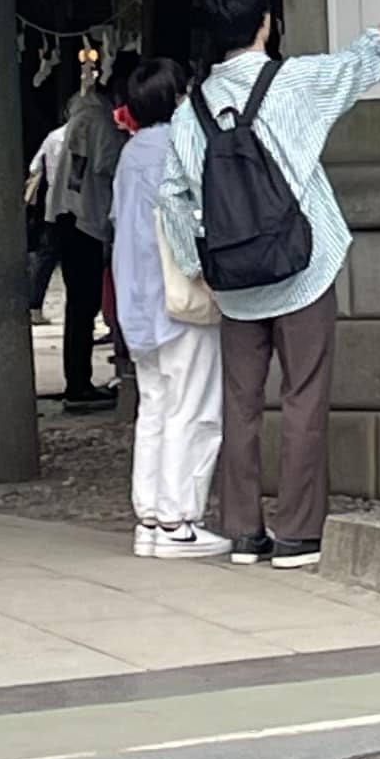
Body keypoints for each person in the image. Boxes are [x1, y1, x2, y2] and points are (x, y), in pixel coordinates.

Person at [160, 0, 380, 568]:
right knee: (304, 397)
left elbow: (174, 196)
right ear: (265, 23)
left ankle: (244, 530)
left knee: (241, 402)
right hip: (303, 267)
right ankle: (298, 533)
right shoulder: (294, 81)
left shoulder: (190, 111)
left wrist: (198, 264)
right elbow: (351, 69)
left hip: (235, 282)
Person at [111, 55, 224, 555]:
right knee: (194, 409)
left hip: (137, 303)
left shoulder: (132, 152)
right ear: (180, 97)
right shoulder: (183, 146)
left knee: (155, 408)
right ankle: (180, 518)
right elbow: (189, 219)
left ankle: (152, 517)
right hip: (179, 299)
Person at [34, 59, 125, 414]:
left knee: (78, 306)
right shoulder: (101, 121)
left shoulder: (78, 120)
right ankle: (78, 382)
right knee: (83, 306)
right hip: (86, 218)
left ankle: (77, 377)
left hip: (67, 215)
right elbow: (106, 166)